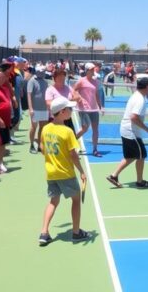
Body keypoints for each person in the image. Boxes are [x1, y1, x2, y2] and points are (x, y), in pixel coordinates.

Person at [37, 97, 92, 246]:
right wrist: (81, 171)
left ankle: (44, 232)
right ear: (62, 112)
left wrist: (52, 158)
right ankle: (76, 232)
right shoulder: (67, 131)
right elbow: (73, 155)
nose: (71, 111)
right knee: (76, 200)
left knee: (53, 201)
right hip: (66, 173)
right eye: (69, 109)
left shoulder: (46, 128)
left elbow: (42, 147)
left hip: (51, 173)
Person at [106, 77, 148, 189]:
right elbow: (133, 117)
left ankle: (114, 176)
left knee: (131, 156)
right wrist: (146, 128)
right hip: (131, 132)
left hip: (127, 130)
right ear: (147, 87)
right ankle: (140, 181)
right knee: (141, 156)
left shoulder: (137, 95)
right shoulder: (140, 100)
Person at [74, 63, 104, 157]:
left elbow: (96, 95)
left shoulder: (95, 82)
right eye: (90, 70)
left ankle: (95, 149)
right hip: (84, 109)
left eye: (93, 69)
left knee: (96, 130)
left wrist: (100, 106)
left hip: (94, 109)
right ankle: (71, 142)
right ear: (87, 71)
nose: (92, 71)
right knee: (85, 128)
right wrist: (78, 97)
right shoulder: (81, 81)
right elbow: (73, 90)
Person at [28, 65, 50, 154]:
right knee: (33, 127)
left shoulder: (45, 82)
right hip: (35, 109)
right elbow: (29, 95)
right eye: (41, 71)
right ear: (37, 72)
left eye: (43, 71)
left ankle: (40, 144)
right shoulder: (32, 81)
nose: (42, 73)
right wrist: (30, 108)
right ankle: (32, 145)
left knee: (42, 127)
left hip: (44, 108)